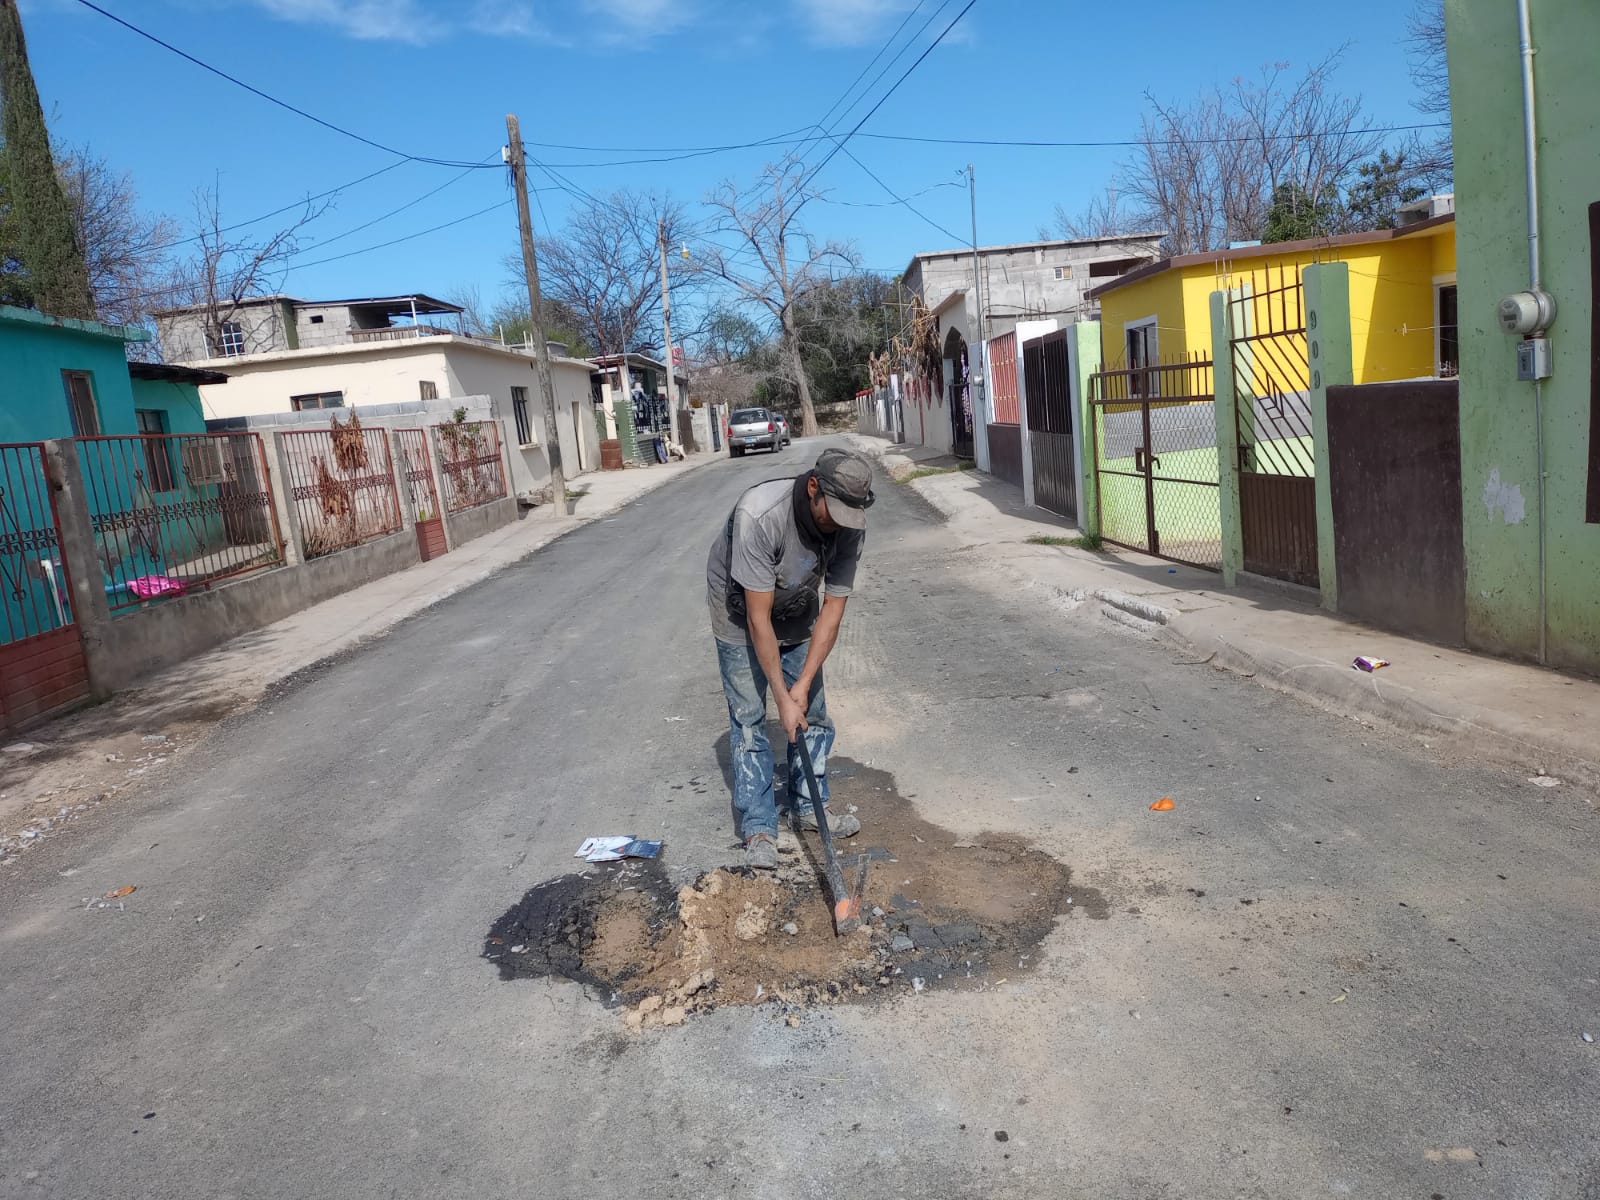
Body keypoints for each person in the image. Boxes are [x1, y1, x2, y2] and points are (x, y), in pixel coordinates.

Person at [706, 447, 875, 869]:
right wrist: (780, 697)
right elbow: (759, 621)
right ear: (813, 487)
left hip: (798, 601)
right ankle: (759, 826)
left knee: (813, 711)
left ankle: (807, 806)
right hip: (741, 608)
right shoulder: (761, 517)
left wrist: (799, 687)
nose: (838, 525)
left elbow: (833, 613)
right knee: (749, 718)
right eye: (831, 514)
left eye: (847, 518)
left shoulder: (849, 523)